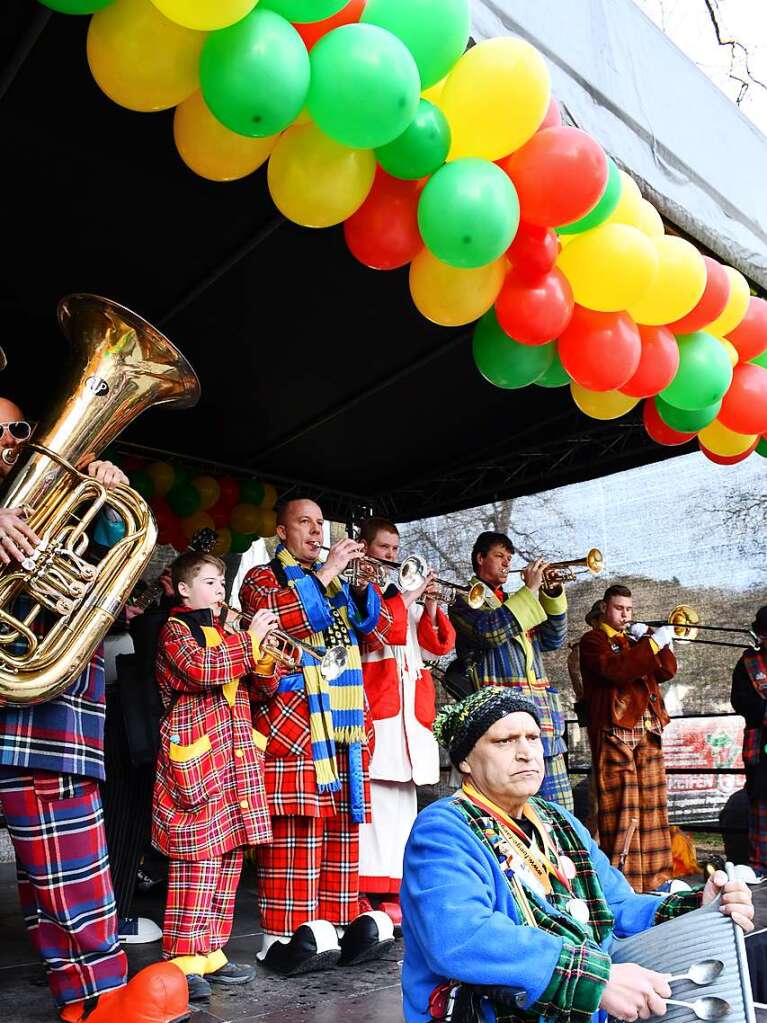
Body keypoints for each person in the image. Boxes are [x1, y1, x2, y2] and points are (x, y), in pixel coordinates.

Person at [400, 688, 754, 1023]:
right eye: (504, 741)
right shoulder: (443, 829)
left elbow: (615, 906)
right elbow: (462, 936)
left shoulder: (558, 821)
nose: (526, 752)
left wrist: (697, 906)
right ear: (464, 760)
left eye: (533, 738)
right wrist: (596, 980)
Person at [0, 396, 187, 1023]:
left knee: (71, 866)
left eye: (19, 430)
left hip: (49, 709)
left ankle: (95, 1000)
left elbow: (102, 575)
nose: (11, 440)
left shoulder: (57, 493)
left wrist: (106, 505)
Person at [239, 498, 396, 975]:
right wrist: (327, 572)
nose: (314, 531)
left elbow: (379, 632)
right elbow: (275, 622)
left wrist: (365, 585)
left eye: (319, 523)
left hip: (345, 722)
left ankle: (338, 921)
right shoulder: (261, 578)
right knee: (298, 827)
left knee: (341, 827)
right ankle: (282, 936)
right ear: (281, 532)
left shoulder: (336, 583)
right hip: (296, 718)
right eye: (303, 523)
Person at [152, 550, 280, 1001]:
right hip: (199, 758)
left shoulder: (227, 632)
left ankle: (211, 951)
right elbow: (201, 670)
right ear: (185, 588)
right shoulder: (176, 629)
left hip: (234, 759)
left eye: (221, 583)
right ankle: (182, 957)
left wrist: (263, 656)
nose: (219, 590)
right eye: (209, 582)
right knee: (197, 861)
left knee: (227, 860)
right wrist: (249, 643)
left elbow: (262, 689)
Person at [357, 517, 456, 924]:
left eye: (396, 549)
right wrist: (410, 597)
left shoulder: (404, 593)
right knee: (376, 804)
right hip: (379, 706)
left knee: (403, 804)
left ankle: (397, 886)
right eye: (384, 548)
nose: (392, 556)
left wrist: (430, 605)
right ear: (364, 548)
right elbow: (379, 630)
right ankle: (367, 889)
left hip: (410, 711)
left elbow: (438, 645)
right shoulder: (362, 588)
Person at [448, 530, 572, 810]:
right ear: (480, 559)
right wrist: (529, 592)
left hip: (542, 724)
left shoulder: (515, 602)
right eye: (499, 556)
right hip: (501, 725)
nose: (506, 563)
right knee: (511, 811)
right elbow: (489, 631)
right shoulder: (464, 600)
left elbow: (553, 640)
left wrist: (550, 594)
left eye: (509, 558)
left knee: (561, 811)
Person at [578, 584, 677, 893]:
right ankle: (626, 887)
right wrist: (648, 645)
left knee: (653, 808)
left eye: (629, 609)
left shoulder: (632, 640)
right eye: (619, 608)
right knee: (624, 809)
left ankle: (659, 881)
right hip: (615, 732)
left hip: (647, 729)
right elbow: (616, 671)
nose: (625, 614)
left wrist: (657, 640)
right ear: (605, 608)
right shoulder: (594, 640)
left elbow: (667, 671)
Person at [730, 605, 767, 878]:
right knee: (762, 803)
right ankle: (761, 864)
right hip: (760, 747)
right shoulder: (748, 663)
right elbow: (740, 701)